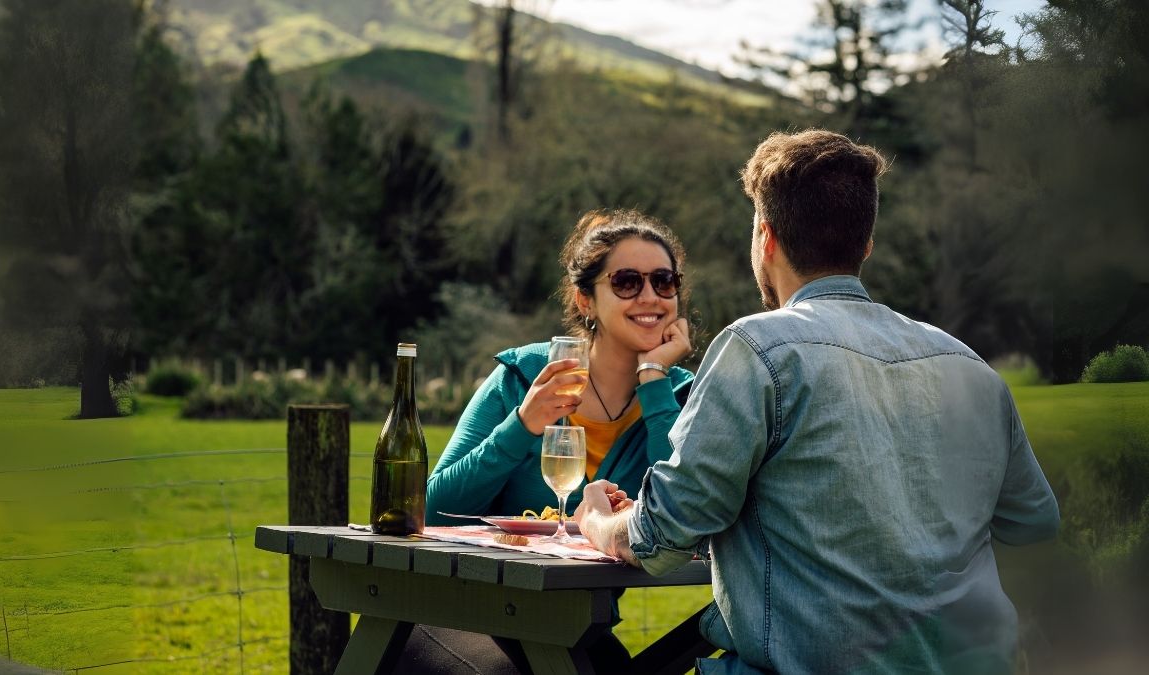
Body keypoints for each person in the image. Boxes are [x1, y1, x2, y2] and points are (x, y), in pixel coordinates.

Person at [576, 130, 1061, 675]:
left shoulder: (756, 350)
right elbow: (1034, 521)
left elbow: (664, 533)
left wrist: (596, 522)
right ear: (866, 245)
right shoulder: (970, 368)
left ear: (766, 238)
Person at [399, 208, 695, 673]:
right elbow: (430, 507)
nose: (650, 296)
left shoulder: (677, 398)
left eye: (664, 280)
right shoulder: (522, 377)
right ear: (585, 301)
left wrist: (654, 379)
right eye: (626, 282)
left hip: (570, 628)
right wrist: (522, 425)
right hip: (461, 613)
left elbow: (685, 514)